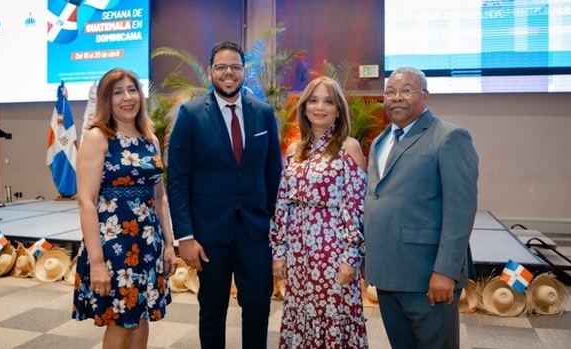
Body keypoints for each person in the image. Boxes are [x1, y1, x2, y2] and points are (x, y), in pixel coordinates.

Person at [167, 41, 283, 349]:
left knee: (258, 308)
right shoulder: (190, 115)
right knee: (212, 312)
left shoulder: (263, 114)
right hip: (208, 236)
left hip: (255, 232)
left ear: (244, 72)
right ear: (210, 71)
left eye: (235, 67)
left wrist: (273, 224)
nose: (228, 73)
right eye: (221, 67)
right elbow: (177, 179)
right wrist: (186, 236)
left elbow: (274, 175)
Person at [364, 67, 479, 349]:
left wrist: (446, 272)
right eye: (390, 92)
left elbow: (460, 211)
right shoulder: (380, 141)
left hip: (427, 277)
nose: (396, 98)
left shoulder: (449, 137)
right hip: (389, 276)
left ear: (424, 97)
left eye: (406, 90)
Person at [72, 68, 177, 348]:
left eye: (132, 90)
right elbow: (85, 201)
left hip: (148, 243)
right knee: (121, 322)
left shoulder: (150, 138)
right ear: (107, 99)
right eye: (118, 92)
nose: (127, 98)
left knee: (141, 317)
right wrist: (96, 264)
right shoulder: (98, 137)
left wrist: (169, 244)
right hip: (114, 244)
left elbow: (160, 196)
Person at [270, 76, 368, 348]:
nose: (320, 107)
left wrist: (350, 257)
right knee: (301, 315)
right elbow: (283, 205)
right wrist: (279, 252)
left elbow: (356, 208)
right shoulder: (294, 150)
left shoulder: (349, 147)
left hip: (333, 252)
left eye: (328, 101)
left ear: (338, 109)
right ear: (304, 107)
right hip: (299, 253)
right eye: (313, 100)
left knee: (333, 316)